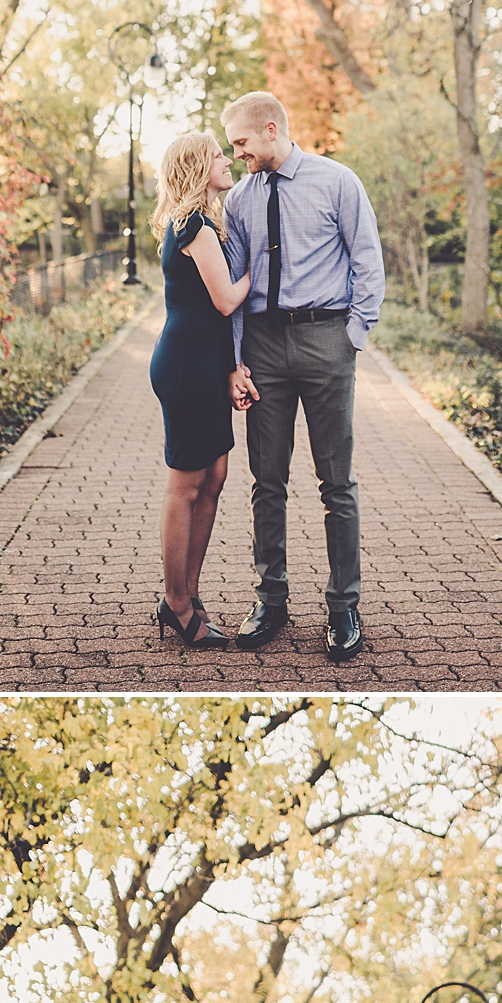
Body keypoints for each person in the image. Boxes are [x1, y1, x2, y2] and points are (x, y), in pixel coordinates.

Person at [220, 91, 386, 658]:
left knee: (335, 482)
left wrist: (352, 337)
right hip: (264, 346)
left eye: (241, 142)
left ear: (271, 130)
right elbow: (236, 285)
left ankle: (344, 607)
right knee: (267, 481)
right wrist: (237, 361)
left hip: (326, 340)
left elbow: (367, 259)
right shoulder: (239, 200)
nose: (236, 152)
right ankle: (272, 600)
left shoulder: (338, 182)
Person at [147, 132, 252, 649]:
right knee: (185, 485)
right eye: (218, 155)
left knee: (213, 474)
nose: (227, 160)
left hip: (205, 364)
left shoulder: (201, 221)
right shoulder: (194, 225)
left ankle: (188, 590)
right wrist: (264, 268)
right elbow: (228, 299)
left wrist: (230, 367)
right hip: (187, 366)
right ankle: (177, 604)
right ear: (196, 165)